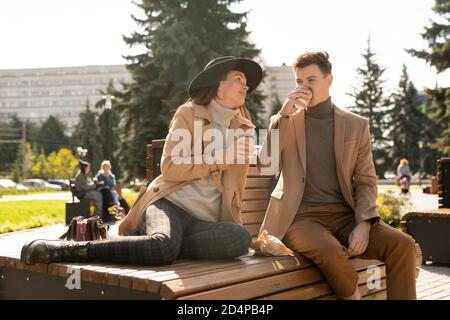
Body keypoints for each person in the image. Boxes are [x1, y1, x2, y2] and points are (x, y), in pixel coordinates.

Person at [21, 56, 262, 266]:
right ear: (218, 84)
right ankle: (76, 249)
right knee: (162, 247)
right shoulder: (189, 114)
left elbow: (236, 188)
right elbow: (170, 168)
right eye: (239, 79)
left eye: (246, 82)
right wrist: (220, 158)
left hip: (203, 222)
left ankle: (160, 244)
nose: (246, 85)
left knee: (239, 239)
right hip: (170, 205)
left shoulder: (243, 129)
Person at [255, 51, 417, 300]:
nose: (304, 87)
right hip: (300, 218)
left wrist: (364, 223)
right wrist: (283, 116)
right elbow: (266, 165)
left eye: (311, 80)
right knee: (330, 250)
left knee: (403, 245)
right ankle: (353, 295)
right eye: (299, 81)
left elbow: (365, 180)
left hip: (345, 216)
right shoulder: (285, 120)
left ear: (329, 80)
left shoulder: (356, 125)